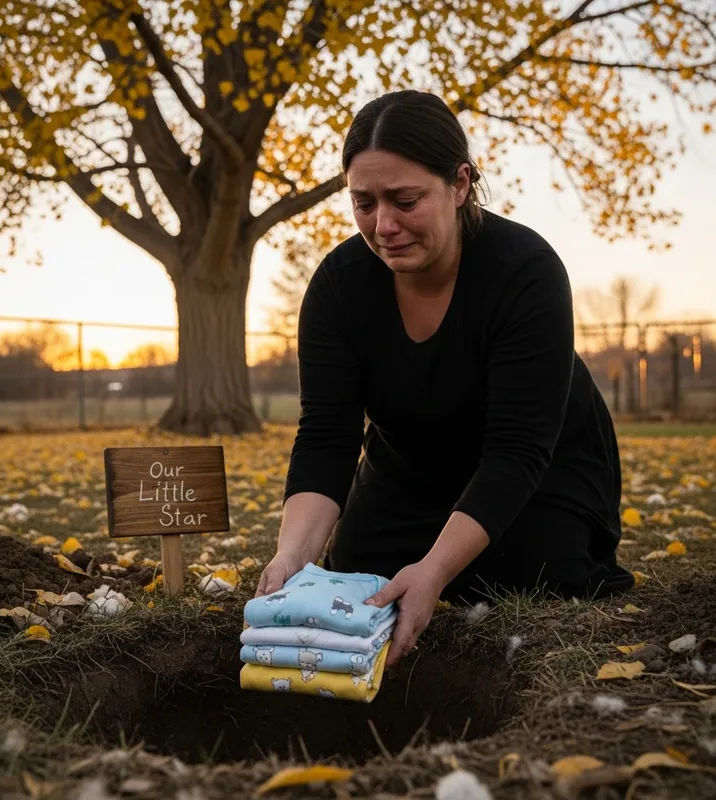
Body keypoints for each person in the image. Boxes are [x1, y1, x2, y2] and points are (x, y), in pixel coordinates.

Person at [254, 90, 634, 670]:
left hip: (538, 467)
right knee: (358, 570)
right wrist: (294, 557)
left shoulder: (525, 271)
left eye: (405, 200)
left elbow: (517, 450)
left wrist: (434, 570)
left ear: (459, 184)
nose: (384, 225)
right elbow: (326, 437)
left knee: (531, 573)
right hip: (408, 466)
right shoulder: (338, 287)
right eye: (363, 203)